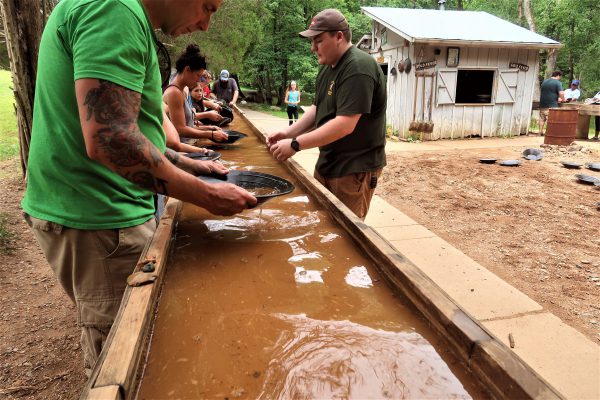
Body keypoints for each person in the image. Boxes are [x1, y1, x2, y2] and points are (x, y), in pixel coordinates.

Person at [21, 0, 257, 376]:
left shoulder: (127, 15)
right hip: (100, 218)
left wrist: (192, 163)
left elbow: (135, 132)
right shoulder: (115, 9)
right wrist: (208, 195)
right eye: (208, 8)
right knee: (126, 368)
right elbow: (110, 139)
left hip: (99, 213)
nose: (206, 25)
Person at [267, 9, 387, 220]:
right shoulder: (327, 68)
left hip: (353, 170)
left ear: (339, 36)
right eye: (312, 41)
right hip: (328, 163)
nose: (313, 48)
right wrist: (287, 134)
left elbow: (344, 124)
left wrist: (296, 144)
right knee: (320, 228)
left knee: (343, 238)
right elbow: (317, 109)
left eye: (319, 40)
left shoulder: (358, 67)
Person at [163, 45, 228, 142]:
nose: (198, 80)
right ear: (187, 70)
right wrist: (210, 134)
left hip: (188, 144)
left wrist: (209, 128)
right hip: (181, 149)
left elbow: (188, 126)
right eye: (198, 75)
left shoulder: (182, 90)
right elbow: (180, 130)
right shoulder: (174, 92)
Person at [538, 70, 565, 135]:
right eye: (560, 76)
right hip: (551, 104)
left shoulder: (544, 82)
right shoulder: (557, 83)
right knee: (551, 119)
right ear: (558, 75)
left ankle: (540, 132)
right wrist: (563, 99)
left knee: (542, 119)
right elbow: (561, 93)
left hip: (542, 103)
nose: (560, 78)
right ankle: (549, 133)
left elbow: (548, 92)